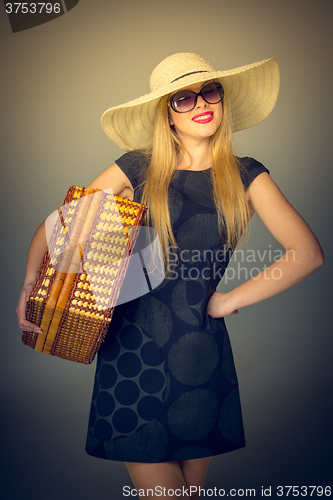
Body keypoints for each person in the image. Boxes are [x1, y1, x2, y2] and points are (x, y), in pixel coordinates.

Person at [17, 53, 324, 499]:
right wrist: (31, 284)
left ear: (222, 100)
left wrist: (229, 298)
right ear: (168, 114)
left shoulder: (247, 176)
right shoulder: (136, 168)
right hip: (130, 356)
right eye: (184, 97)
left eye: (210, 91)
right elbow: (57, 229)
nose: (202, 103)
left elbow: (308, 254)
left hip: (200, 355)